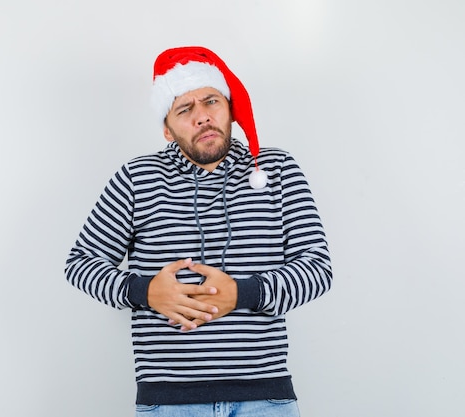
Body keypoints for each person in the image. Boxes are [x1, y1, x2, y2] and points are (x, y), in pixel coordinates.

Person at [64, 46, 332, 417]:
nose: (203, 117)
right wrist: (145, 291)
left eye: (211, 102)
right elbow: (81, 263)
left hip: (265, 398)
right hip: (168, 402)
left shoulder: (278, 170)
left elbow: (317, 269)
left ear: (230, 107)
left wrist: (242, 292)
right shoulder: (136, 179)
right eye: (185, 110)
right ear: (166, 128)